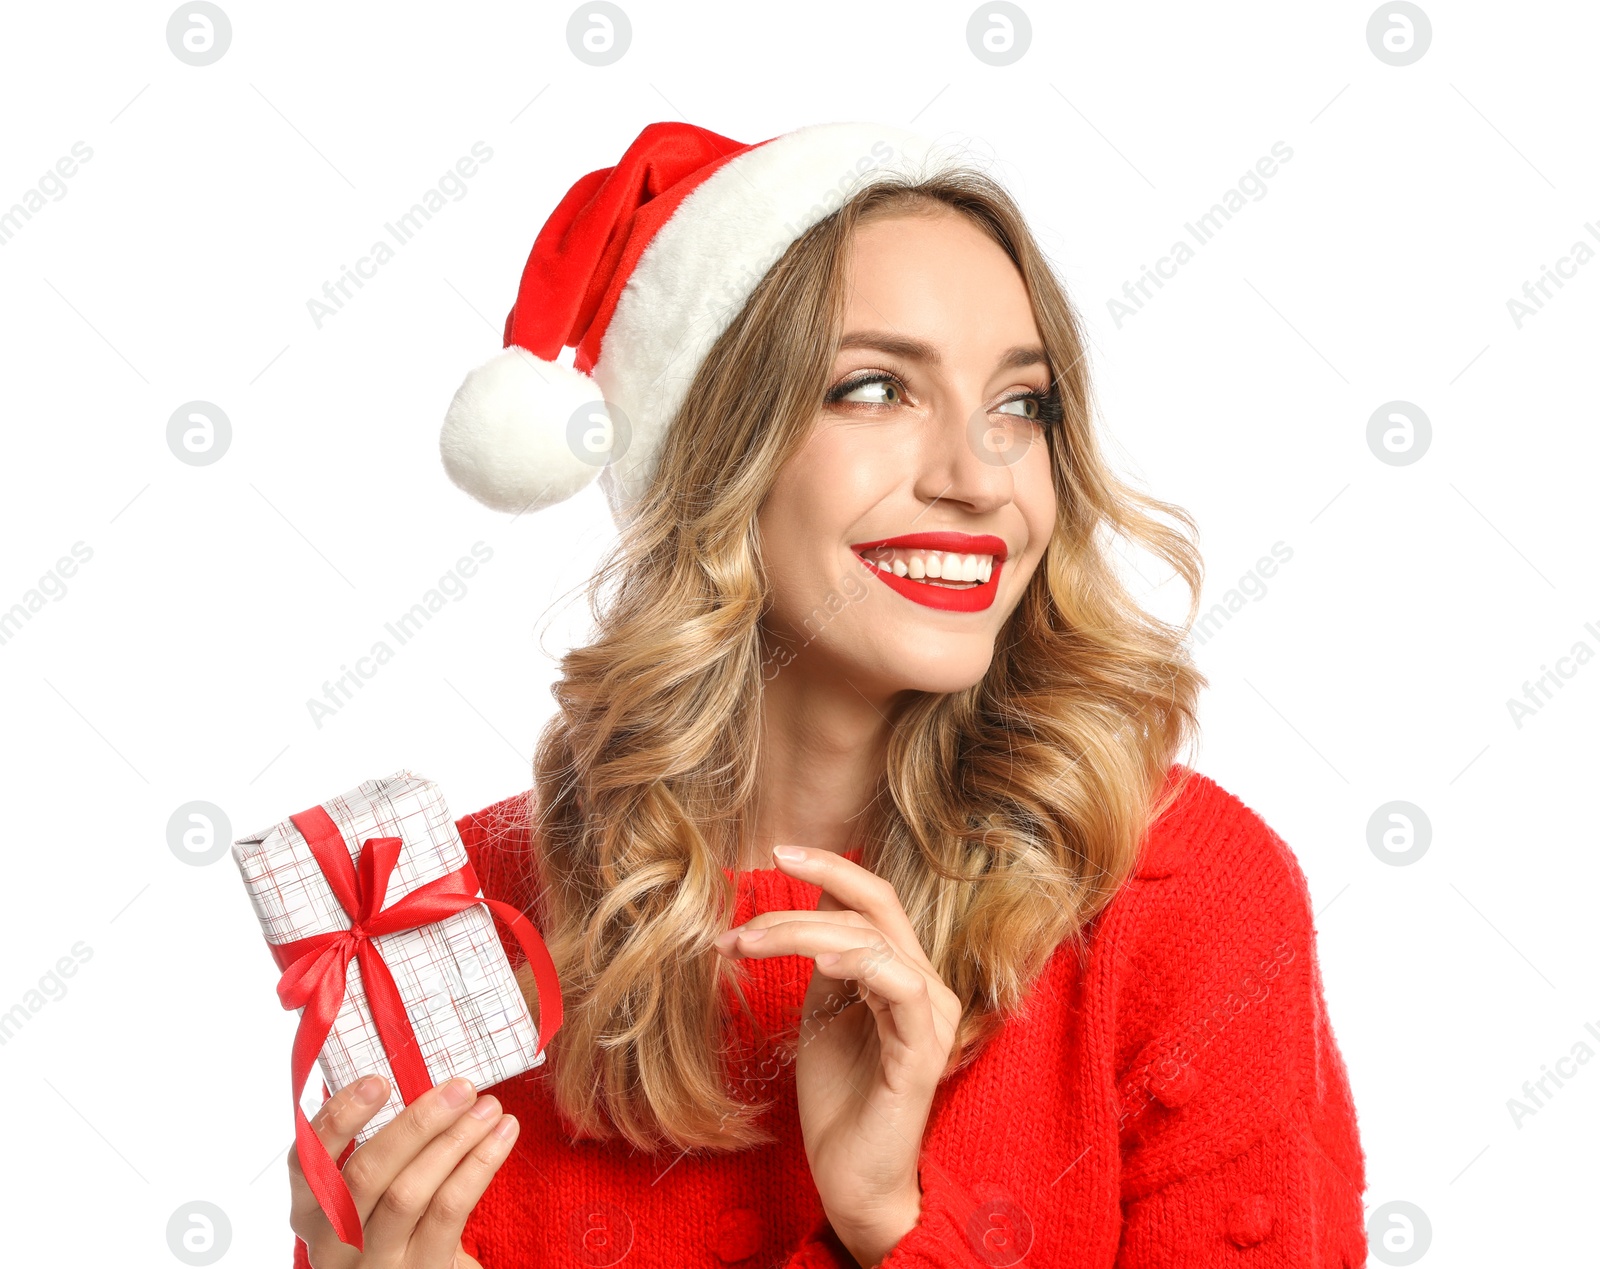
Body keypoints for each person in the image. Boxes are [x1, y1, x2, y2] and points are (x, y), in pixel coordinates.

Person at [288, 120, 1368, 1268]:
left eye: (1022, 405)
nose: (976, 477)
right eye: (873, 390)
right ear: (709, 456)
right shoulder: (440, 929)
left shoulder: (1178, 893)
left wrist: (891, 1221)